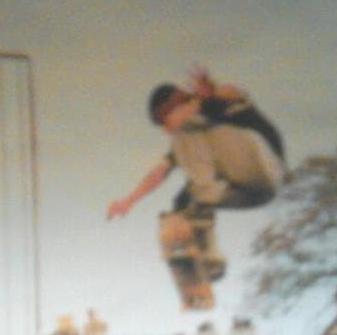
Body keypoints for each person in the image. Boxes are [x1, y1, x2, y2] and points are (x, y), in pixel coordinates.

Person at [107, 66, 287, 223]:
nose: (166, 129)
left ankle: (196, 208)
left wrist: (205, 99)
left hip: (267, 164)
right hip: (256, 195)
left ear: (176, 101)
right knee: (186, 197)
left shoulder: (218, 99)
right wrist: (129, 201)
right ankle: (197, 241)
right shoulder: (192, 138)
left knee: (184, 132)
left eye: (164, 119)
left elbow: (231, 92)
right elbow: (158, 173)